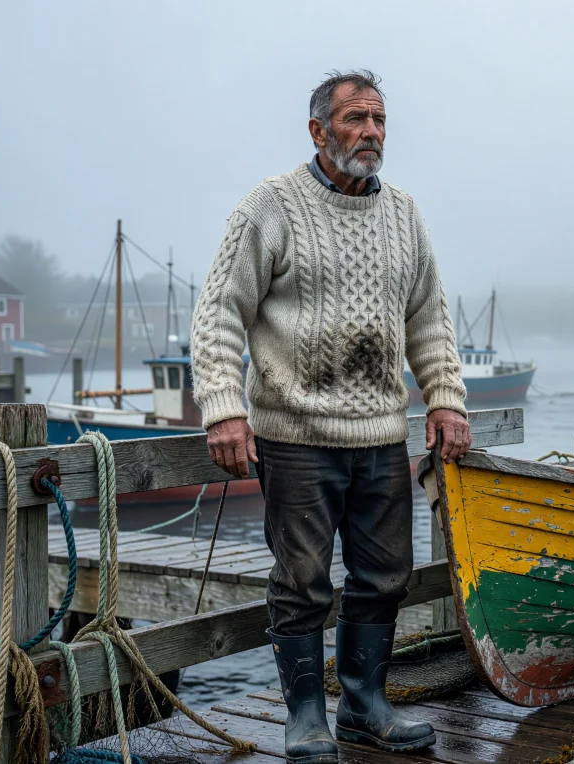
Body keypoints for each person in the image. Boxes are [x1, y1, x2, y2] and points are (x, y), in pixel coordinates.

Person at [190, 70, 471, 763]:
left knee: (386, 577)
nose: (372, 132)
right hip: (295, 435)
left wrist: (445, 397)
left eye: (380, 120)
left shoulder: (404, 214)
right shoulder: (270, 207)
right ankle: (305, 717)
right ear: (318, 131)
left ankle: (364, 708)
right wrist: (224, 410)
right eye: (355, 119)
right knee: (303, 581)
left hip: (380, 436)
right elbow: (220, 312)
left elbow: (429, 319)